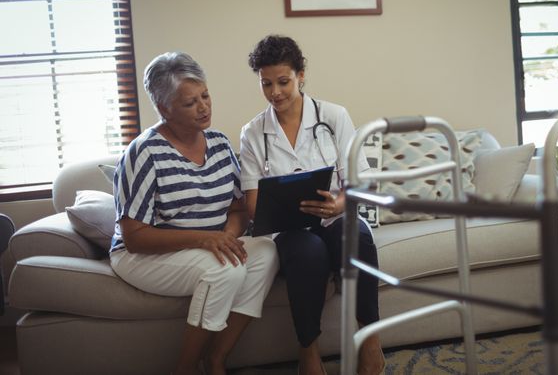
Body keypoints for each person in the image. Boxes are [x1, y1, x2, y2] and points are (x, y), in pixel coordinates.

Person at [109, 52, 279, 375]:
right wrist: (206, 239)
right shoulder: (143, 153)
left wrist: (226, 238)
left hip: (206, 245)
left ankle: (216, 358)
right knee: (225, 270)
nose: (204, 107)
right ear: (163, 108)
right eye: (190, 103)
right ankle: (185, 369)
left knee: (267, 251)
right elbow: (134, 238)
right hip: (143, 256)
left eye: (205, 96)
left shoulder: (218, 143)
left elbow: (238, 207)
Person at [239, 35, 385, 375]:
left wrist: (339, 205)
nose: (275, 92)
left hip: (335, 217)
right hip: (289, 230)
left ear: (301, 75)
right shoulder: (253, 132)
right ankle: (309, 350)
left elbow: (359, 181)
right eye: (266, 84)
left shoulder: (334, 116)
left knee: (357, 239)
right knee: (307, 251)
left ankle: (371, 341)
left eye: (283, 81)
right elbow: (252, 204)